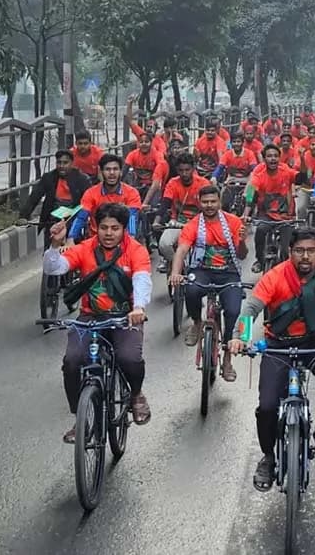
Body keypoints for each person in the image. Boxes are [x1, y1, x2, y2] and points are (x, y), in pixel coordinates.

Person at [228, 228, 315, 491]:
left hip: (314, 340)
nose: (306, 256)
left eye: (311, 251)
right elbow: (251, 307)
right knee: (266, 406)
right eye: (299, 250)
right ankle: (267, 457)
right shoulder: (275, 276)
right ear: (290, 252)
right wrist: (239, 336)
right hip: (278, 345)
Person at [43, 203, 152, 442]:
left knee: (129, 359)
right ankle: (79, 417)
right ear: (95, 227)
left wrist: (138, 307)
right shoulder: (85, 249)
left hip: (125, 318)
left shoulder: (135, 250)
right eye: (104, 227)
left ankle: (136, 395)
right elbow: (54, 269)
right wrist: (55, 245)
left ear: (124, 229)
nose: (109, 233)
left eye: (115, 228)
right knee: (72, 362)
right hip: (89, 318)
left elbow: (142, 280)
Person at [167, 186, 249, 379]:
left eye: (213, 201)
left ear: (219, 202)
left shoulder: (233, 222)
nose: (209, 205)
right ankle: (196, 322)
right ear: (199, 203)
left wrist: (243, 241)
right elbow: (182, 250)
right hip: (201, 271)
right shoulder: (193, 225)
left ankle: (228, 359)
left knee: (233, 312)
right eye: (205, 202)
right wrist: (175, 273)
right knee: (191, 290)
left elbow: (243, 255)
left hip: (229, 274)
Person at [17, 149, 91, 246]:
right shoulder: (49, 177)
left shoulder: (81, 179)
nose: (62, 166)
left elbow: (90, 200)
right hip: (52, 221)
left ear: (72, 163)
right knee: (49, 254)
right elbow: (35, 197)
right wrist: (23, 216)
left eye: (65, 163)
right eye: (59, 162)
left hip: (73, 222)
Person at [244, 145, 298, 273]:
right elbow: (251, 194)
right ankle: (259, 260)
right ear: (264, 159)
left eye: (275, 156)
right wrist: (246, 214)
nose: (272, 159)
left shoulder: (286, 171)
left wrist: (302, 161)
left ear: (279, 158)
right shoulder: (259, 176)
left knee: (286, 249)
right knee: (260, 232)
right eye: (269, 156)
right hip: (266, 214)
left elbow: (299, 177)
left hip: (286, 215)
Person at [66, 154, 142, 241]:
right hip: (95, 239)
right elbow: (81, 217)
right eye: (108, 169)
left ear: (121, 172)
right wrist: (70, 238)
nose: (112, 173)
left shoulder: (132, 193)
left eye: (115, 169)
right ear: (101, 171)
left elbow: (132, 217)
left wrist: (131, 239)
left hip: (122, 240)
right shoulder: (90, 193)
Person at [124, 131, 170, 210]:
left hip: (154, 185)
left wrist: (144, 204)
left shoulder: (158, 156)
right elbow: (123, 172)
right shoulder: (132, 154)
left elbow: (156, 184)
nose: (144, 144)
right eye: (141, 142)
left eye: (146, 142)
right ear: (138, 143)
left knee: (152, 207)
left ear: (151, 143)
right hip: (138, 183)